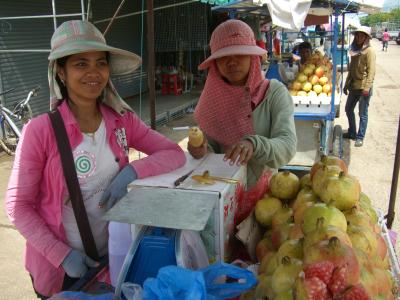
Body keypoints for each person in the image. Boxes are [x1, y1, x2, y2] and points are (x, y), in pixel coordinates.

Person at [4, 20, 186, 298]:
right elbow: (18, 206)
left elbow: (173, 154)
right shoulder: (40, 131)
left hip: (113, 257)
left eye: (100, 63)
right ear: (61, 73)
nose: (94, 72)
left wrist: (133, 171)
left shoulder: (122, 121)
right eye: (80, 64)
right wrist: (62, 255)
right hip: (61, 271)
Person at [188, 19, 297, 189]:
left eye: (239, 54)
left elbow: (287, 146)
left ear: (252, 57)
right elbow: (211, 147)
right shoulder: (213, 99)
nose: (231, 62)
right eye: (223, 57)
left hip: (267, 194)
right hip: (224, 190)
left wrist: (255, 144)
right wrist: (201, 150)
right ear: (215, 63)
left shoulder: (275, 93)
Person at [343, 26, 376, 147]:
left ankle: (360, 136)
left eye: (361, 36)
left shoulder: (370, 51)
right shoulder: (354, 50)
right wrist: (346, 84)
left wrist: (367, 87)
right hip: (354, 86)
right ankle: (352, 132)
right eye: (357, 35)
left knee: (362, 113)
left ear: (366, 38)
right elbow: (351, 69)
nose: (358, 38)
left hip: (363, 87)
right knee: (348, 109)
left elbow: (371, 71)